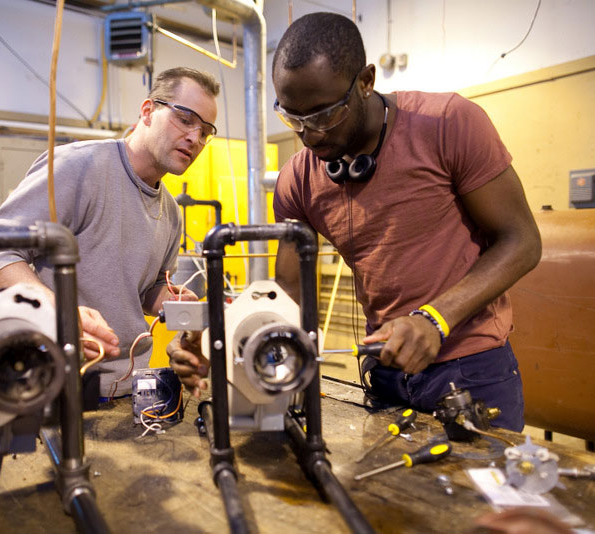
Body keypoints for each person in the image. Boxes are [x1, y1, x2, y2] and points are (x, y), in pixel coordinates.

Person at [170, 13, 541, 432]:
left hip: (471, 369)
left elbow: (522, 241)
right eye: (293, 119)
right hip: (384, 371)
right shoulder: (299, 179)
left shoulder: (448, 124)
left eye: (323, 115)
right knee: (388, 498)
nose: (309, 136)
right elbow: (289, 295)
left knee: (481, 497)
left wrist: (436, 318)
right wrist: (221, 343)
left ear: (365, 81)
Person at [0, 67, 219, 401]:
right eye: (186, 119)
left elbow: (145, 288)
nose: (195, 138)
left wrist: (170, 301)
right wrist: (57, 310)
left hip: (130, 389)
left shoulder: (171, 213)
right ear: (147, 111)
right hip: (53, 387)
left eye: (205, 131)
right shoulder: (79, 168)